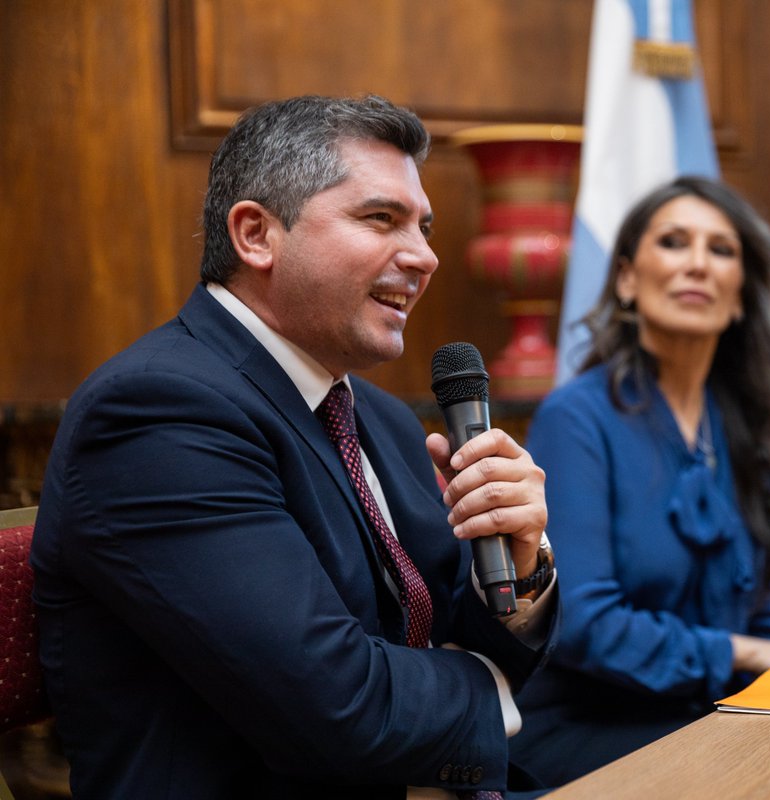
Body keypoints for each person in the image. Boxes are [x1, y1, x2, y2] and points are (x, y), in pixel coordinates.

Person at [31, 95, 558, 799]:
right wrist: (488, 686)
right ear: (256, 234)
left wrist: (522, 566)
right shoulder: (157, 413)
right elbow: (340, 707)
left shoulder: (381, 416)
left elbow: (447, 626)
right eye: (381, 219)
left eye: (424, 228)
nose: (425, 257)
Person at [508, 176, 770, 787]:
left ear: (739, 297)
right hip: (585, 728)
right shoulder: (576, 417)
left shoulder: (745, 426)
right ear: (627, 279)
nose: (698, 264)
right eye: (675, 243)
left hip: (710, 720)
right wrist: (743, 654)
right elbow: (582, 623)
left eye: (721, 250)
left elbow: (763, 619)